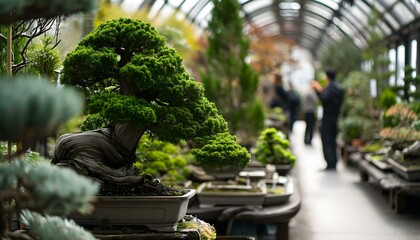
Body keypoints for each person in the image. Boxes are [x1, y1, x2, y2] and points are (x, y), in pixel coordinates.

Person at [311, 69, 344, 170]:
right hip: (335, 117)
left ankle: (330, 162)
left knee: (326, 140)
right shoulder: (338, 87)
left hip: (328, 118)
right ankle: (333, 162)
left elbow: (324, 99)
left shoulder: (331, 88)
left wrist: (317, 90)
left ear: (327, 77)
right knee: (333, 140)